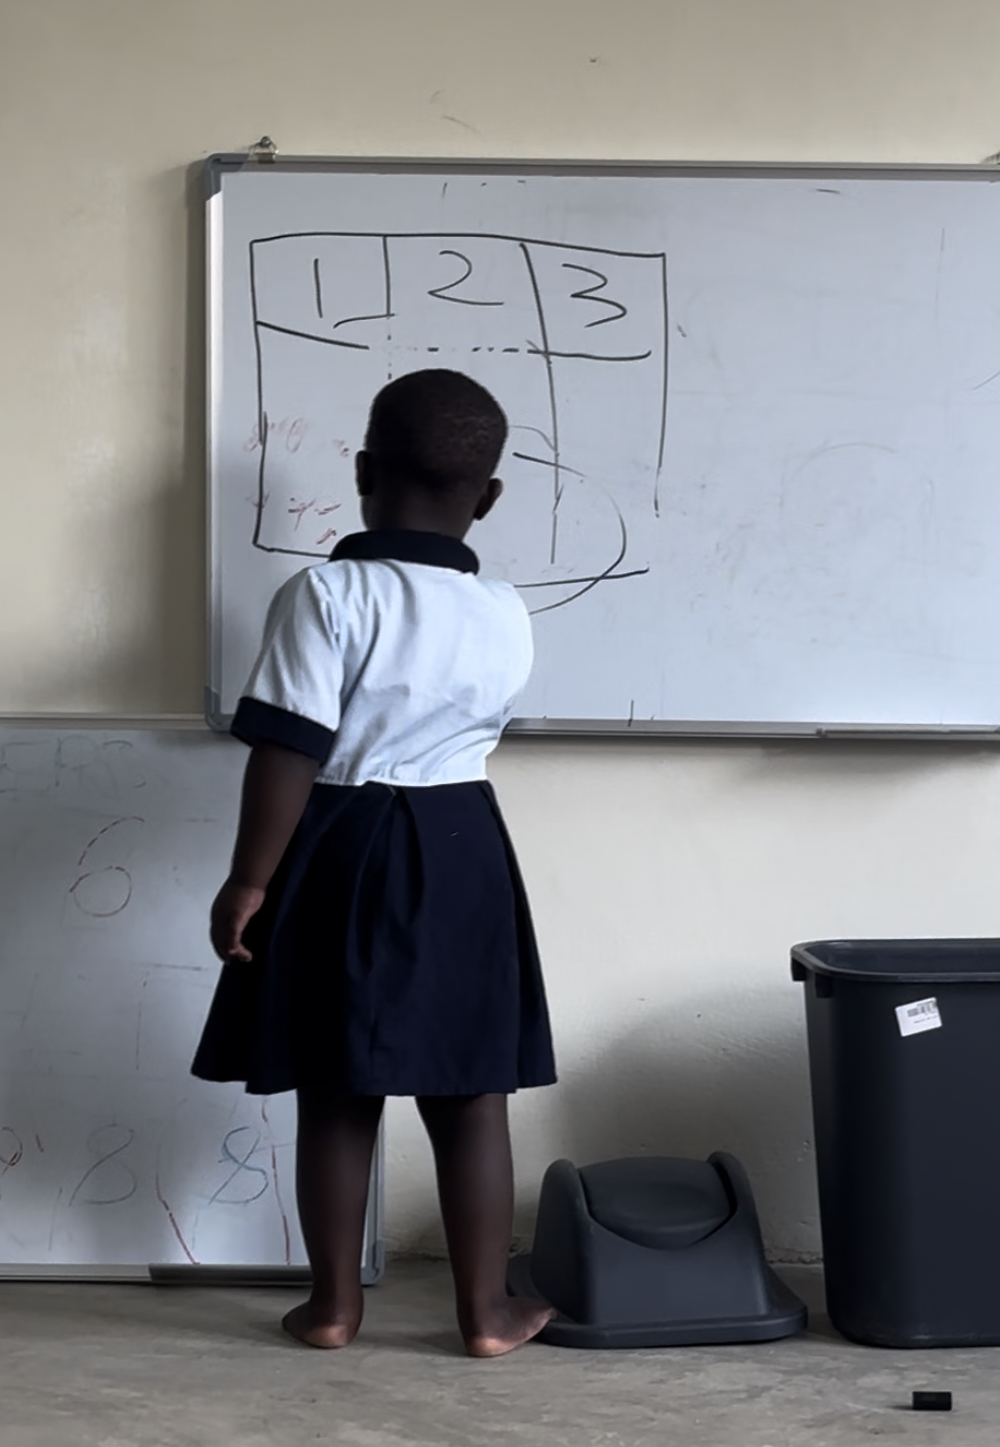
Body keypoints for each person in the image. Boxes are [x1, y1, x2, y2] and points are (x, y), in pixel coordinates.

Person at [192, 369, 556, 1356]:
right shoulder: (506, 609)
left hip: (341, 841)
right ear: (488, 497)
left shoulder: (325, 593)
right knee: (472, 1090)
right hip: (465, 845)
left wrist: (250, 878)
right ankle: (485, 1314)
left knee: (336, 1084)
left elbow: (289, 749)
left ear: (362, 472)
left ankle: (332, 1307)